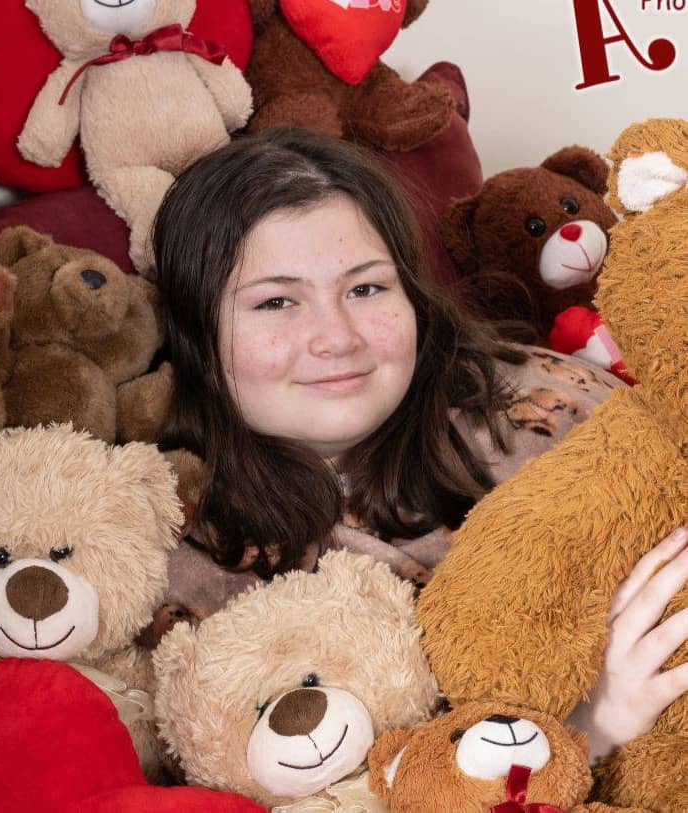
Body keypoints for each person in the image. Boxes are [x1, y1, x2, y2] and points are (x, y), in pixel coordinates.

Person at [151, 128, 688, 762]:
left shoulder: (558, 406)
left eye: (365, 288)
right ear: (198, 334)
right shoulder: (164, 558)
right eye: (276, 302)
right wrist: (591, 730)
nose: (337, 337)